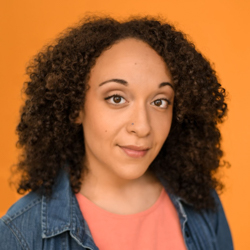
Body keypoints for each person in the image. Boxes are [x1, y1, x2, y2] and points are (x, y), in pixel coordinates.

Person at [0, 16, 233, 250]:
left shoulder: (202, 205)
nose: (142, 127)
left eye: (160, 102)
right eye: (117, 98)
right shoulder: (20, 234)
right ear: (76, 107)